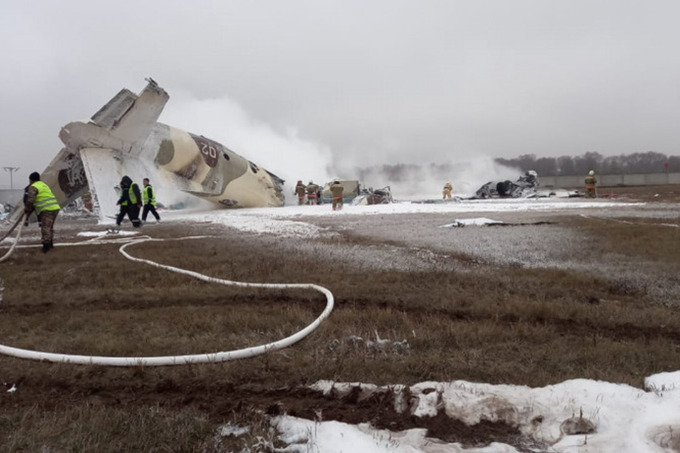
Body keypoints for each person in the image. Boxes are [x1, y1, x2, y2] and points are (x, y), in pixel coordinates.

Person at [23, 172, 60, 253]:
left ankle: (46, 246)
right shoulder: (43, 185)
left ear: (31, 180)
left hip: (47, 209)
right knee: (49, 227)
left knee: (45, 227)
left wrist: (27, 209)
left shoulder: (33, 187)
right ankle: (50, 244)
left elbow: (30, 200)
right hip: (55, 207)